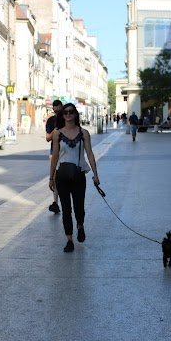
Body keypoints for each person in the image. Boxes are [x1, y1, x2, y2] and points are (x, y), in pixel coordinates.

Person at [49, 103, 101, 252]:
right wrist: (51, 177)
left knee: (78, 206)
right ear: (62, 115)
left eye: (71, 112)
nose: (68, 114)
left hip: (78, 175)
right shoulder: (57, 134)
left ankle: (80, 225)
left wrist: (95, 174)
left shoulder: (83, 133)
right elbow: (55, 157)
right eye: (66, 112)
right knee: (66, 208)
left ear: (76, 114)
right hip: (62, 175)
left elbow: (90, 153)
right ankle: (69, 239)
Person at [45, 99, 65, 214]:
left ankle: (62, 201)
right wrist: (55, 129)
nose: (58, 113)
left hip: (67, 152)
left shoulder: (68, 118)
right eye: (55, 111)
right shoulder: (51, 120)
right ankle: (56, 202)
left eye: (59, 111)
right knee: (55, 178)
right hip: (54, 152)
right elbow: (48, 138)